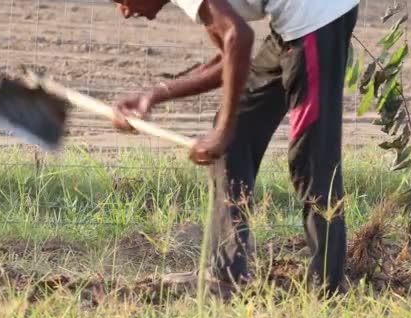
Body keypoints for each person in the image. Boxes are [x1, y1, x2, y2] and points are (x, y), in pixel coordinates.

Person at [110, 0, 359, 297]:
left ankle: (328, 289)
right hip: (293, 27)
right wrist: (153, 96)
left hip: (316, 19)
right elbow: (227, 58)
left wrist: (222, 132)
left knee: (314, 157)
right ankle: (226, 274)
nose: (123, 11)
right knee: (236, 132)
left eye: (120, 0)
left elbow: (239, 38)